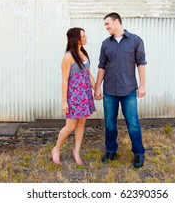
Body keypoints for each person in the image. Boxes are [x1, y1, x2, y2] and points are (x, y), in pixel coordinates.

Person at [94, 12, 147, 168]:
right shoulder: (105, 44)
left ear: (116, 22)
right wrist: (97, 87)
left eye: (107, 24)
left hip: (128, 90)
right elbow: (101, 66)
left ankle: (139, 153)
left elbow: (141, 64)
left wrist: (142, 85)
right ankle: (111, 150)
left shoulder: (135, 41)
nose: (106, 27)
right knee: (109, 123)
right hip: (110, 90)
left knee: (133, 123)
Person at [51, 27, 96, 165]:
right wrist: (64, 101)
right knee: (70, 126)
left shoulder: (84, 53)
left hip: (85, 94)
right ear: (76, 39)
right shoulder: (68, 57)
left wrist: (96, 89)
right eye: (83, 36)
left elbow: (88, 74)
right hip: (74, 96)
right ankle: (56, 149)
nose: (86, 37)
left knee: (82, 123)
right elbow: (64, 80)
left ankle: (76, 151)